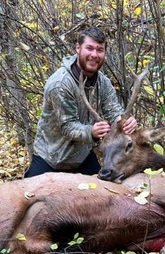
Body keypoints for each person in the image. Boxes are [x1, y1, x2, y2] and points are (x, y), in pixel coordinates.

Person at [24, 26, 137, 178]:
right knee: (30, 197)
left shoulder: (103, 83)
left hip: (81, 157)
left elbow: (113, 110)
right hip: (50, 159)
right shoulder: (60, 84)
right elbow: (68, 127)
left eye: (99, 50)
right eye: (89, 48)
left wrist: (124, 122)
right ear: (78, 48)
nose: (94, 55)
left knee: (107, 193)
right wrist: (91, 132)